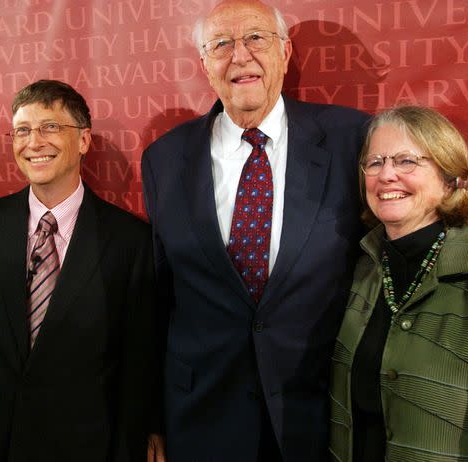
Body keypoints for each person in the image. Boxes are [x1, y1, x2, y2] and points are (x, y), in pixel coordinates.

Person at [141, 1, 371, 460]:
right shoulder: (164, 159)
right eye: (221, 44)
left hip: (318, 415)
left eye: (256, 39)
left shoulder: (352, 138)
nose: (239, 55)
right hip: (200, 416)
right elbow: (158, 297)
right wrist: (152, 418)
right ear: (204, 64)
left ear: (285, 53)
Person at [0, 79, 161, 461]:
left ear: (83, 140)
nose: (34, 142)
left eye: (50, 127)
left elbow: (136, 367)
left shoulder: (130, 241)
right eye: (22, 131)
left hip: (83, 447)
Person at [329, 106, 468, 461]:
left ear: (449, 177)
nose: (387, 175)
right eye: (375, 162)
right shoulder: (360, 269)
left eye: (407, 161)